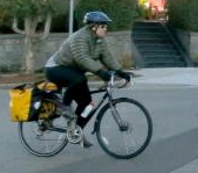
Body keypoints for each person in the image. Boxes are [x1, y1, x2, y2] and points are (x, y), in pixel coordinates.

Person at [44, 11, 132, 147]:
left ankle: (75, 133)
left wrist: (121, 72)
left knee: (88, 106)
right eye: (103, 26)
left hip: (74, 72)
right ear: (93, 27)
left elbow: (108, 58)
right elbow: (82, 59)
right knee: (79, 79)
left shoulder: (100, 41)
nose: (106, 29)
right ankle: (64, 106)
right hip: (55, 68)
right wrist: (102, 73)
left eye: (106, 26)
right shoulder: (79, 37)